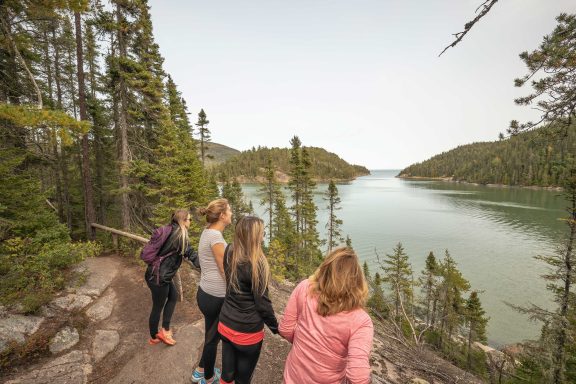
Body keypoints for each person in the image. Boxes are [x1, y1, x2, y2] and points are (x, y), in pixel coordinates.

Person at [279, 247, 373, 384]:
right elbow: (357, 376)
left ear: (325, 269)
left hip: (293, 377)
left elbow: (285, 329)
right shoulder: (361, 321)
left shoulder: (305, 288)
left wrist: (304, 344)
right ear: (357, 279)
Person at [218, 216, 279, 384]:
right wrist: (277, 328)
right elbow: (263, 305)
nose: (263, 235)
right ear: (253, 236)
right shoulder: (257, 264)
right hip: (247, 331)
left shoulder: (229, 250)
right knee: (243, 379)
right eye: (261, 232)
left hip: (225, 323)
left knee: (227, 374)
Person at [191, 198, 232, 384]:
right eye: (229, 210)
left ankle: (200, 371)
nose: (231, 213)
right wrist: (235, 291)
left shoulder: (207, 232)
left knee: (210, 335)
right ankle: (208, 379)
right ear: (222, 215)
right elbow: (224, 269)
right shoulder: (216, 237)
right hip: (216, 296)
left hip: (206, 292)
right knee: (213, 339)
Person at [146, 209, 192, 346]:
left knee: (173, 296)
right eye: (189, 219)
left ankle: (165, 329)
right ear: (183, 221)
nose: (190, 222)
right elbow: (190, 252)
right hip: (159, 278)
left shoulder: (169, 229)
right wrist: (202, 264)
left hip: (155, 273)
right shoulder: (179, 236)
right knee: (157, 307)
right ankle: (155, 336)